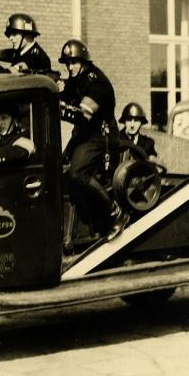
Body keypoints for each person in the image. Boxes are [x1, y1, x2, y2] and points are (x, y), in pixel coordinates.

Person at [58, 39, 129, 241]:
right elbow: (67, 95)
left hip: (101, 135)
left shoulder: (98, 84)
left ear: (84, 61)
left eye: (73, 62)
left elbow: (82, 116)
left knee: (77, 174)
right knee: (63, 174)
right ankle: (89, 226)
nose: (69, 67)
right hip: (85, 134)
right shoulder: (77, 78)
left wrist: (59, 106)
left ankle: (115, 213)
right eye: (67, 63)